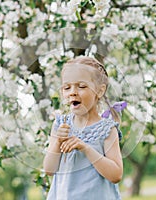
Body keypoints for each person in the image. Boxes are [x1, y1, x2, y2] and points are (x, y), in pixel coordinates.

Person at [43, 56, 123, 200]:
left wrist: (85, 148)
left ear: (99, 91)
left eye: (81, 86)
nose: (73, 92)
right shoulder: (60, 124)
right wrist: (57, 142)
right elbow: (49, 169)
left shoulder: (107, 129)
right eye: (67, 87)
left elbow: (116, 175)